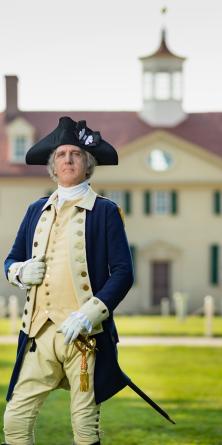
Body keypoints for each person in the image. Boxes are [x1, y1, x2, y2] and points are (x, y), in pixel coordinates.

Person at [2, 116, 173, 445]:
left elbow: (123, 273)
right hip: (38, 333)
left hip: (84, 338)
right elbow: (10, 259)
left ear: (87, 163)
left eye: (75, 154)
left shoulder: (105, 211)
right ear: (53, 164)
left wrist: (89, 313)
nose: (67, 159)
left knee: (84, 425)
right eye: (62, 154)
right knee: (15, 419)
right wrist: (20, 272)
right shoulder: (35, 210)